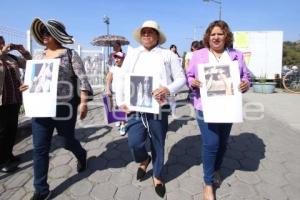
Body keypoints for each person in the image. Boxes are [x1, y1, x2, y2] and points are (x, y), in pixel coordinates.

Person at [20, 18, 93, 200]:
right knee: (40, 149)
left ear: (56, 34)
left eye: (47, 32)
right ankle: (41, 189)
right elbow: (32, 81)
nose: (44, 35)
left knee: (66, 141)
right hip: (40, 108)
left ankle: (81, 153)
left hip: (64, 108)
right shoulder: (37, 56)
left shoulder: (70, 55)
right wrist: (26, 86)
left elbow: (82, 78)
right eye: (42, 32)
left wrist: (83, 102)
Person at [115, 20, 186, 198]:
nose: (146, 35)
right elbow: (122, 78)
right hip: (135, 106)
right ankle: (144, 159)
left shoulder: (167, 55)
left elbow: (181, 78)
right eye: (144, 32)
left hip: (159, 106)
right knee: (134, 142)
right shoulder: (133, 54)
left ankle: (157, 174)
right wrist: (120, 100)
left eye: (150, 32)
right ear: (140, 36)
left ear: (157, 36)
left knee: (158, 142)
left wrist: (168, 89)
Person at [186, 20, 250, 200]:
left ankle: (216, 170)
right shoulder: (198, 55)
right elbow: (189, 76)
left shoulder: (236, 55)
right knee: (211, 144)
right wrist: (193, 82)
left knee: (222, 143)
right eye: (213, 34)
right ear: (208, 36)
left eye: (220, 34)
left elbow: (246, 76)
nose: (216, 37)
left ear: (226, 36)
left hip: (229, 107)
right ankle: (207, 184)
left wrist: (246, 84)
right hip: (205, 108)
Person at [0, 36, 32, 173]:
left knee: (12, 129)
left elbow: (29, 63)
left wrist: (23, 51)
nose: (2, 45)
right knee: (1, 131)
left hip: (15, 98)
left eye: (2, 42)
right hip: (2, 101)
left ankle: (8, 155)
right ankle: (2, 162)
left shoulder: (11, 58)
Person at [105, 51, 127, 136]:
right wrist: (107, 89)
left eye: (119, 57)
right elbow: (108, 80)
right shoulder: (113, 68)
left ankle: (122, 125)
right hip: (115, 92)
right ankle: (119, 119)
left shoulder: (127, 68)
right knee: (116, 107)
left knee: (123, 109)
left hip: (125, 93)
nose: (116, 59)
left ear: (123, 59)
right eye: (115, 57)